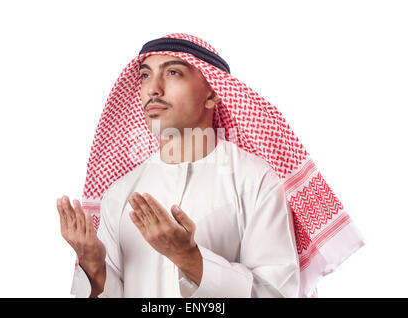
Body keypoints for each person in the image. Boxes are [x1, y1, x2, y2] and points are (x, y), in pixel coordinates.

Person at [56, 33, 365, 298]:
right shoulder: (120, 192)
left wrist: (190, 258)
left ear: (213, 93)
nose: (153, 89)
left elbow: (277, 292)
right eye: (145, 75)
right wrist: (94, 268)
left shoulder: (255, 180)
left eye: (173, 73)